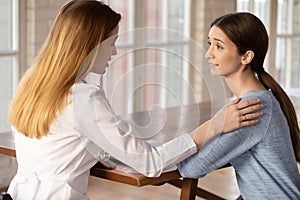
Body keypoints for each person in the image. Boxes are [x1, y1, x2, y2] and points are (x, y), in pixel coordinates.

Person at [6, 1, 263, 199]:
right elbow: (151, 164)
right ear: (90, 45)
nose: (115, 51)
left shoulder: (32, 83)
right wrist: (214, 125)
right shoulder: (83, 98)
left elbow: (61, 144)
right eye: (112, 43)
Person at [177, 12, 300, 199]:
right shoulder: (262, 99)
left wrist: (161, 155)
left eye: (219, 46)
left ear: (246, 57)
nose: (208, 54)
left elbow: (192, 168)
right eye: (210, 44)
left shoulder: (252, 109)